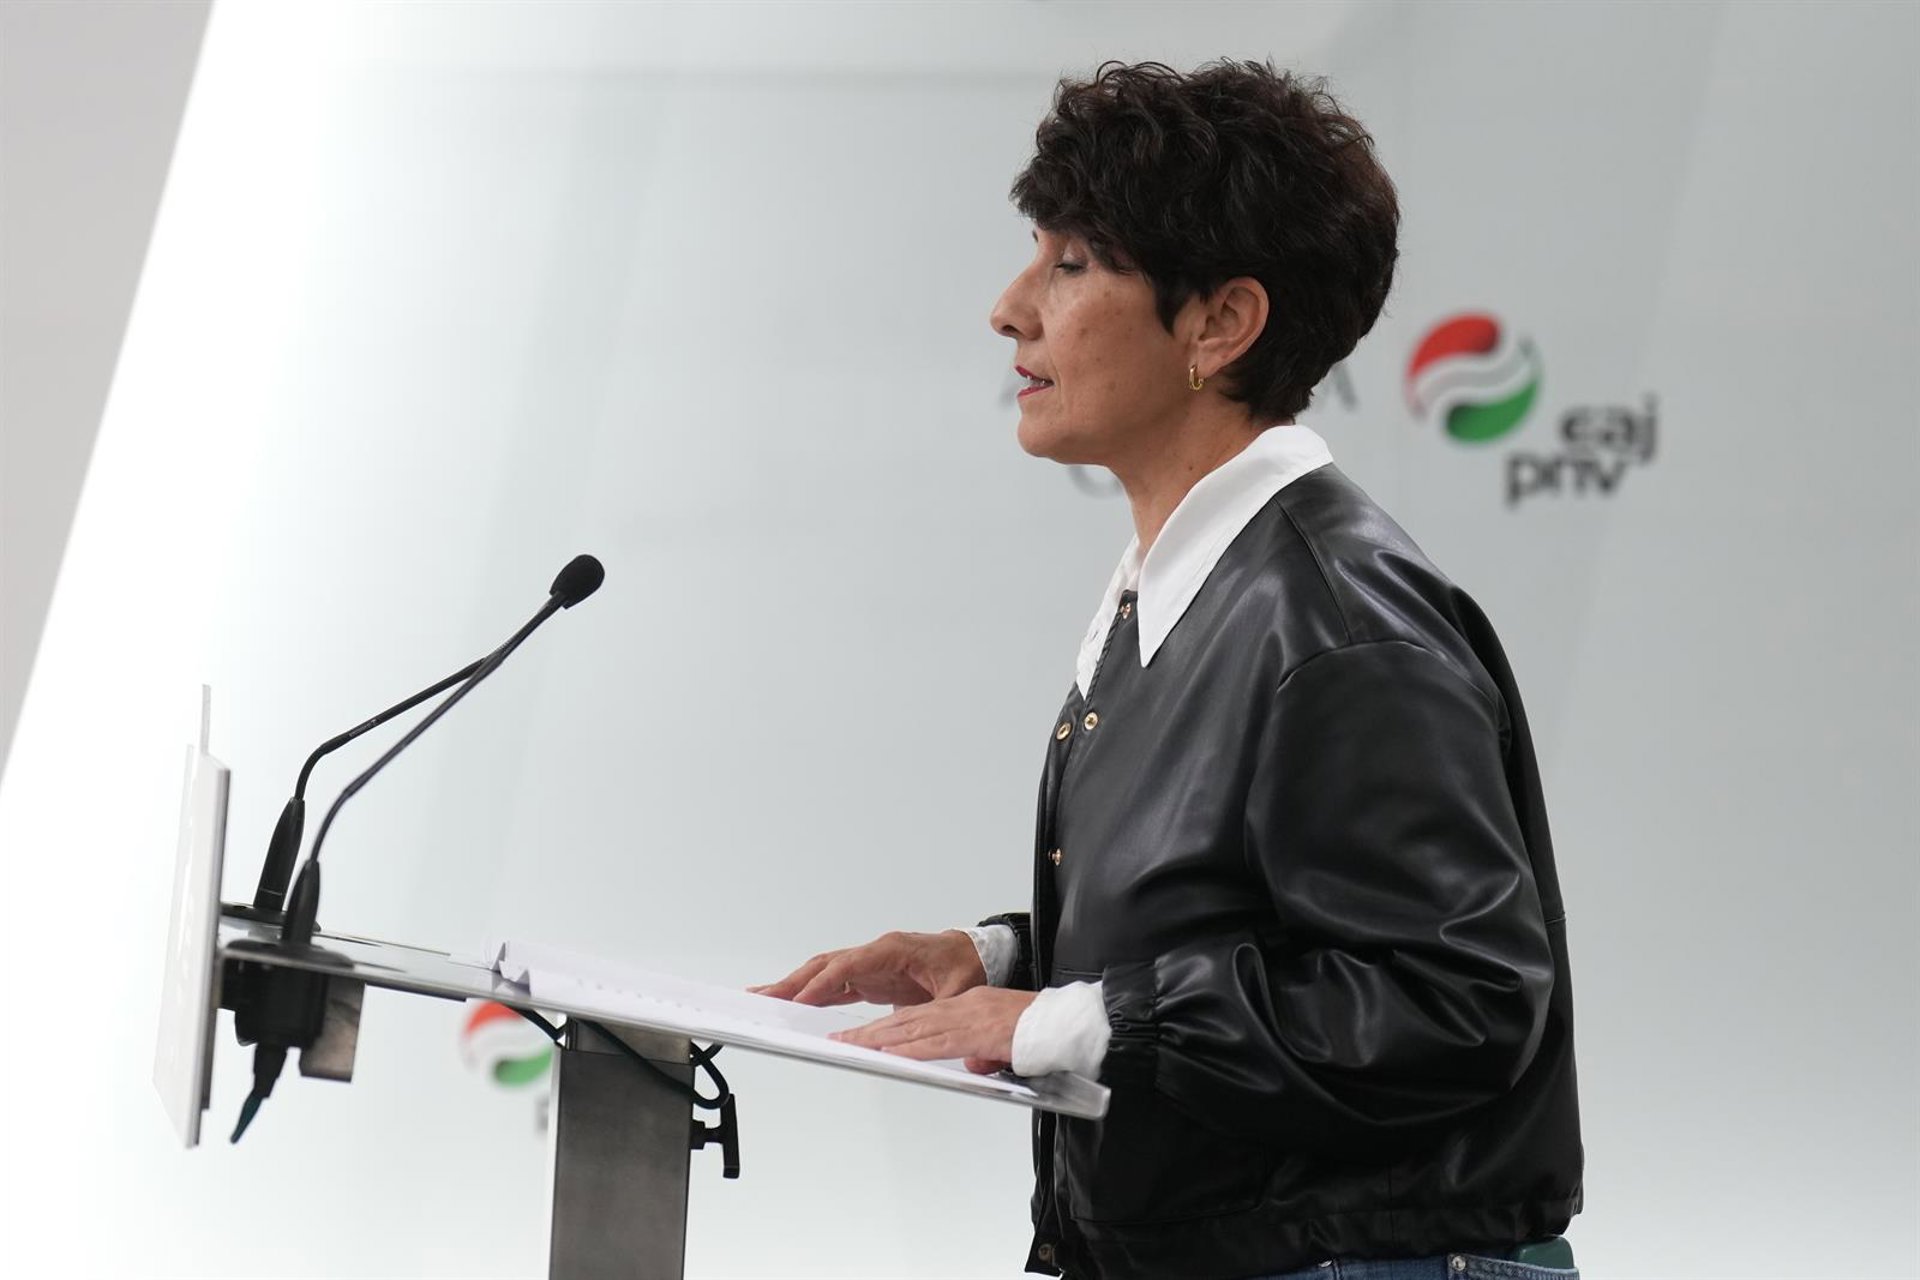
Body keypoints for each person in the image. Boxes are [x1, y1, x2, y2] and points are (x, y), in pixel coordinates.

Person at [752, 60, 1583, 1280]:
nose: (1009, 308)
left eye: (1072, 263)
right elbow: (1253, 919)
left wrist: (1068, 1016)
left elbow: (1453, 998)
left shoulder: (1339, 620)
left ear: (1220, 323)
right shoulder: (1197, 581)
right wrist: (1004, 962)